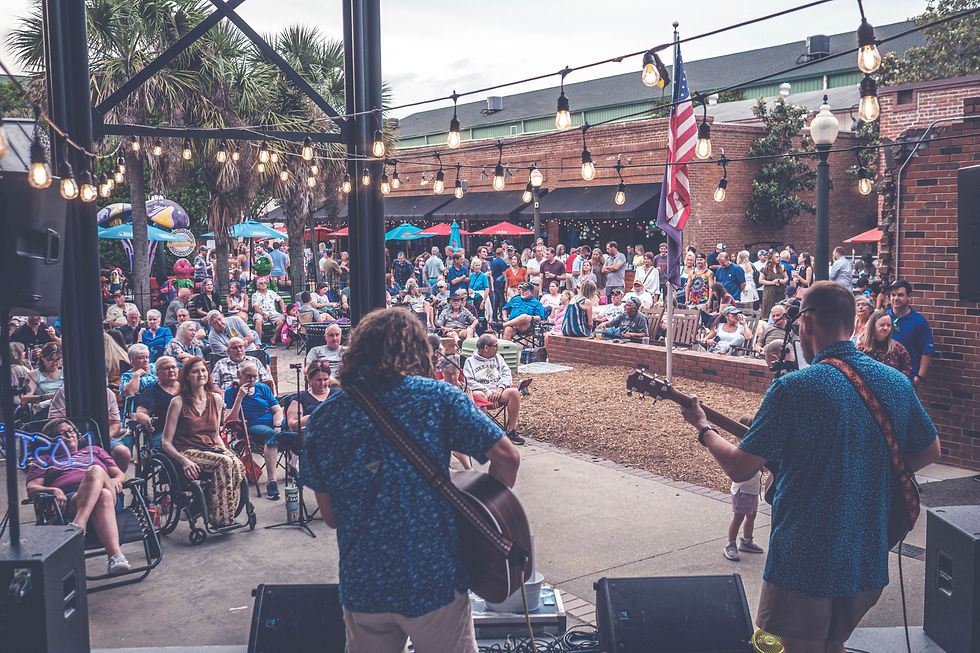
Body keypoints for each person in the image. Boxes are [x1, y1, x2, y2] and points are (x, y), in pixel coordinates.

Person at [680, 281, 940, 653]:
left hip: (805, 556)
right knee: (833, 646)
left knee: (788, 648)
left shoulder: (794, 388)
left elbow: (740, 467)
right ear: (852, 325)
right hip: (866, 551)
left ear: (806, 323)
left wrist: (704, 428)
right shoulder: (897, 382)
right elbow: (931, 448)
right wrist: (869, 470)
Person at [301, 309, 520, 653]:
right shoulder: (440, 398)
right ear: (418, 350)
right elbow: (507, 457)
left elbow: (330, 517)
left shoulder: (325, 417)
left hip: (364, 583)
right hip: (435, 577)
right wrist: (485, 513)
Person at [26, 418, 132, 575]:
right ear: (51, 439)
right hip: (74, 498)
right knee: (102, 495)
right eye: (63, 433)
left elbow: (119, 474)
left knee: (96, 470)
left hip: (108, 493)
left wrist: (116, 480)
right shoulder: (44, 460)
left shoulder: (95, 450)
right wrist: (53, 491)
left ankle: (78, 525)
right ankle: (116, 557)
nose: (70, 434)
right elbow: (32, 487)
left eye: (72, 431)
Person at [160, 357, 246, 527]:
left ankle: (205, 506)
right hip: (187, 450)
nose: (200, 374)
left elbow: (215, 435)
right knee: (224, 463)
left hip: (211, 448)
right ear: (186, 376)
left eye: (203, 370)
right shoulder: (178, 402)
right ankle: (221, 519)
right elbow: (165, 442)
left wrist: (228, 451)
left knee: (237, 464)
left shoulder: (215, 399)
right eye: (195, 371)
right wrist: (183, 462)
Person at [225, 360, 285, 499]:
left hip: (273, 421)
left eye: (254, 376)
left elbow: (277, 410)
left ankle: (293, 467)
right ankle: (272, 482)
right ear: (238, 375)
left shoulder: (262, 388)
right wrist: (239, 398)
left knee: (295, 427)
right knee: (271, 436)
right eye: (248, 376)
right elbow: (229, 419)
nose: (252, 380)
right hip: (253, 424)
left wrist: (278, 425)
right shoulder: (231, 392)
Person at [463, 333, 525, 445]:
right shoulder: (470, 362)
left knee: (514, 392)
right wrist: (488, 393)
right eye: (496, 346)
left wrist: (500, 389)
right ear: (486, 348)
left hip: (498, 393)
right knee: (479, 395)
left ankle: (511, 431)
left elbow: (507, 375)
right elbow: (469, 382)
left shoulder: (499, 358)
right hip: (482, 394)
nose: (498, 348)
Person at [724, 413, 765, 561]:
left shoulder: (757, 449)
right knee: (738, 517)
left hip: (752, 491)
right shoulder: (742, 450)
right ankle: (730, 544)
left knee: (752, 516)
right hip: (742, 491)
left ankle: (747, 541)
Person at [887, 279, 934, 387]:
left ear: (909, 297)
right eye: (893, 295)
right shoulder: (883, 318)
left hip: (908, 379)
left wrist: (919, 378)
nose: (895, 298)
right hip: (885, 376)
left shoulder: (919, 322)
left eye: (900, 295)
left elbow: (926, 351)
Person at [133, 356, 180, 449]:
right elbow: (140, 413)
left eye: (173, 367)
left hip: (189, 429)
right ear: (157, 373)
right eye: (166, 368)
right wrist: (148, 421)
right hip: (163, 431)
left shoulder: (186, 387)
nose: (171, 370)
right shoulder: (151, 391)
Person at [862, 309, 913, 378]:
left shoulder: (898, 348)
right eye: (882, 325)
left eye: (888, 325)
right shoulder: (862, 348)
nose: (886, 328)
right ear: (873, 326)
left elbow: (907, 369)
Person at [21, 342, 64, 413]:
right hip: (45, 411)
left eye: (57, 359)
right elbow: (24, 399)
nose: (55, 363)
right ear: (42, 357)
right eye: (50, 360)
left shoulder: (66, 372)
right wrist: (48, 396)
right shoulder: (33, 375)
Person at [252, 277, 287, 347]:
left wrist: (283, 310)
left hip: (272, 312)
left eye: (265, 283)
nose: (264, 284)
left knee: (281, 321)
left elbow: (280, 300)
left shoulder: (271, 292)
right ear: (258, 286)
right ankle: (259, 343)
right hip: (260, 313)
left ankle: (273, 339)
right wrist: (263, 313)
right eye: (261, 283)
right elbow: (255, 307)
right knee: (258, 321)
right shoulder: (255, 295)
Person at [759, 252, 788, 319]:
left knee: (780, 307)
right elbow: (760, 280)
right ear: (772, 258)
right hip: (769, 290)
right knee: (768, 308)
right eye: (776, 257)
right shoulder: (765, 268)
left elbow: (786, 277)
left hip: (780, 290)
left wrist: (783, 281)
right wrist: (772, 282)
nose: (778, 258)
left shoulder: (782, 267)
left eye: (779, 257)